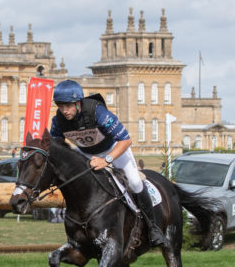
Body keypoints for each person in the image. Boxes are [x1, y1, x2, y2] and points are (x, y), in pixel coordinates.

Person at [48, 79, 166, 246]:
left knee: (135, 182)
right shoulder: (58, 121)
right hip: (86, 154)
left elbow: (125, 141)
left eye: (68, 105)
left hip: (114, 150)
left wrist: (106, 160)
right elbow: (57, 148)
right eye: (60, 106)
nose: (64, 110)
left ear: (78, 102)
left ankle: (153, 228)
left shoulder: (98, 113)